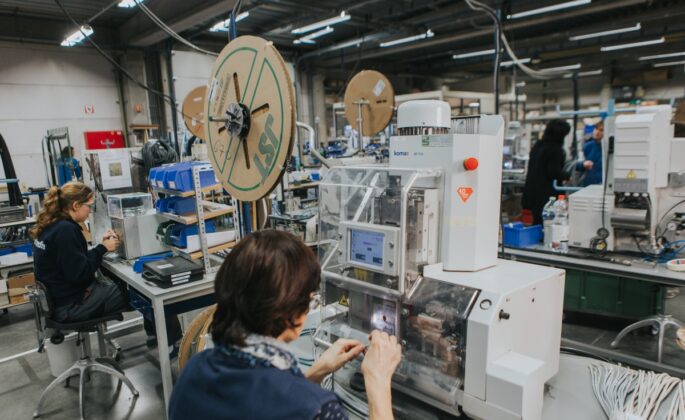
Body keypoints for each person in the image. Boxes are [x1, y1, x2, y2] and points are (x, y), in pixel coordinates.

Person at [169, 230, 403, 420]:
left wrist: (316, 373)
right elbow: (290, 405)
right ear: (294, 313)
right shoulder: (319, 409)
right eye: (308, 300)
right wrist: (378, 381)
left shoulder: (193, 370)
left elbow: (265, 401)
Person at [30, 181, 182, 354]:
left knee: (129, 283)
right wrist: (103, 248)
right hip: (73, 306)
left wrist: (101, 247)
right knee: (149, 290)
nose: (90, 211)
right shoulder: (66, 230)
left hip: (60, 301)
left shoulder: (51, 225)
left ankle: (155, 334)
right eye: (89, 206)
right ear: (75, 205)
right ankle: (174, 342)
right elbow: (79, 274)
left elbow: (71, 261)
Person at [522, 119, 571, 226]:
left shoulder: (538, 145)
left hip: (533, 193)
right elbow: (554, 172)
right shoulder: (555, 149)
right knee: (549, 226)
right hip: (547, 195)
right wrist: (568, 176)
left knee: (537, 224)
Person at [576, 121, 604, 186]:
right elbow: (576, 164)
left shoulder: (611, 148)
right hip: (588, 185)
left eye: (601, 130)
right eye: (596, 129)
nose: (597, 132)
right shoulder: (587, 146)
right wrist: (583, 164)